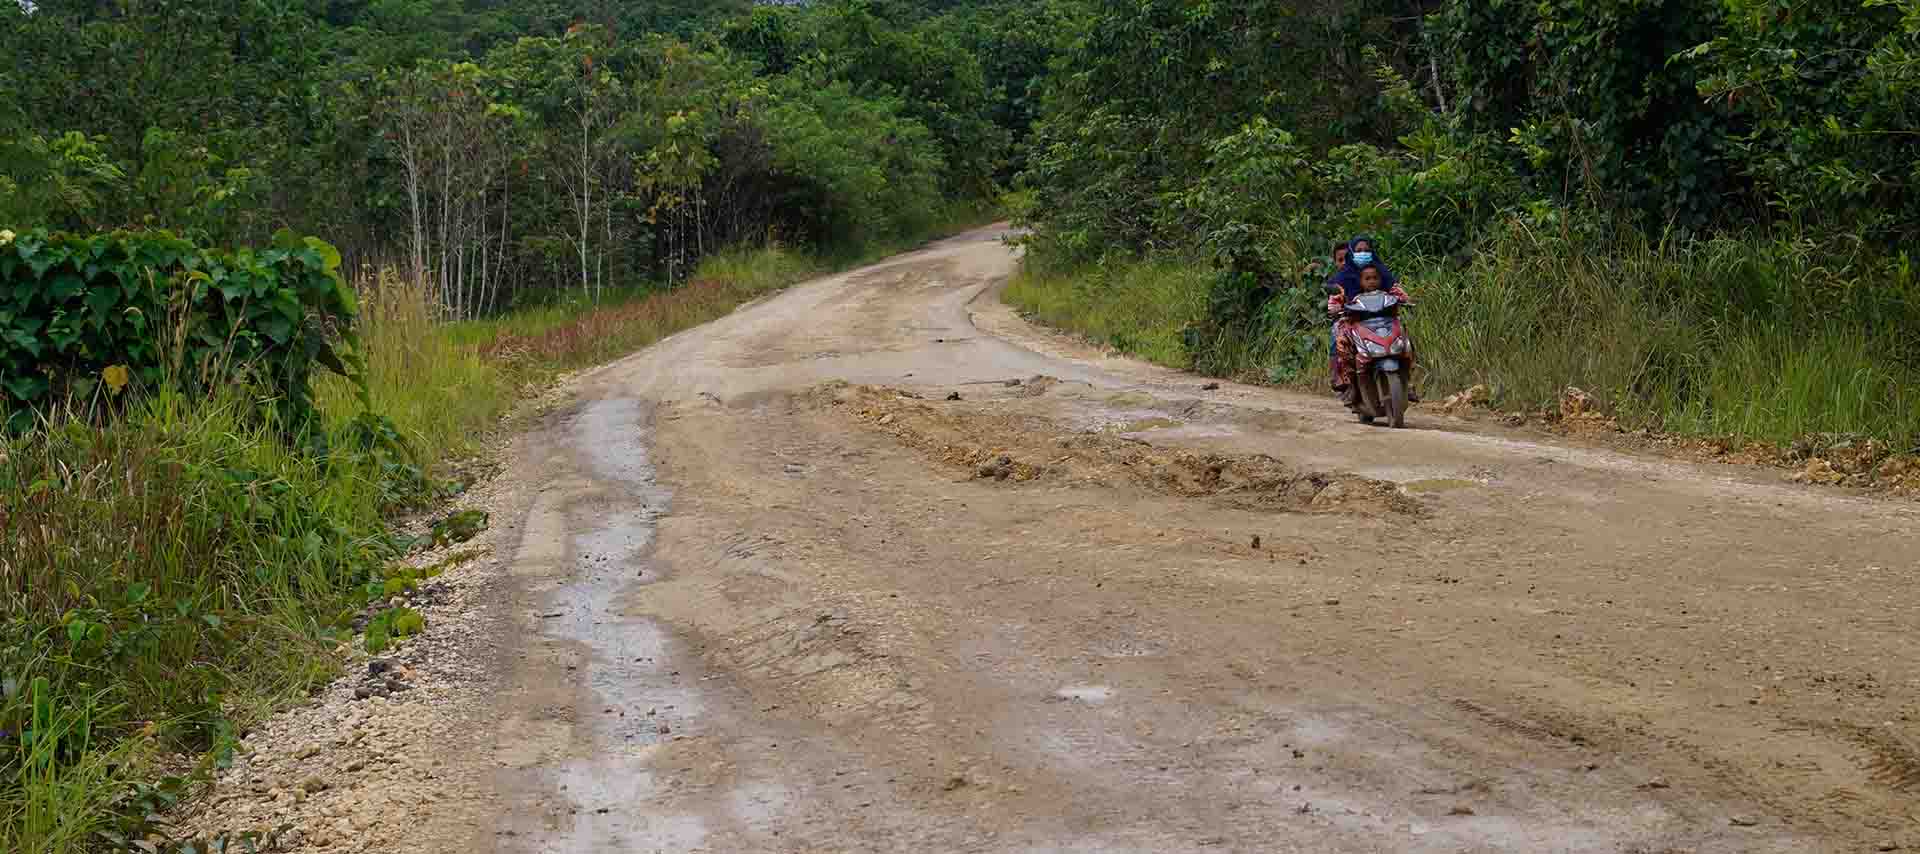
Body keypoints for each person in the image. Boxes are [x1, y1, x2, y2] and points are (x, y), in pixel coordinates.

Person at [1328, 262, 1415, 404]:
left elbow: (1403, 299)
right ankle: (1351, 385)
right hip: (1363, 335)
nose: (1372, 281)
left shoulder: (1388, 296)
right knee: (1343, 346)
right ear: (1361, 282)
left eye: (1375, 278)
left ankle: (1408, 382)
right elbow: (1336, 307)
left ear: (1380, 280)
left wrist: (1406, 301)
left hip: (1386, 332)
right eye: (1367, 279)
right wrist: (1338, 309)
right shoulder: (1355, 299)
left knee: (1407, 343)